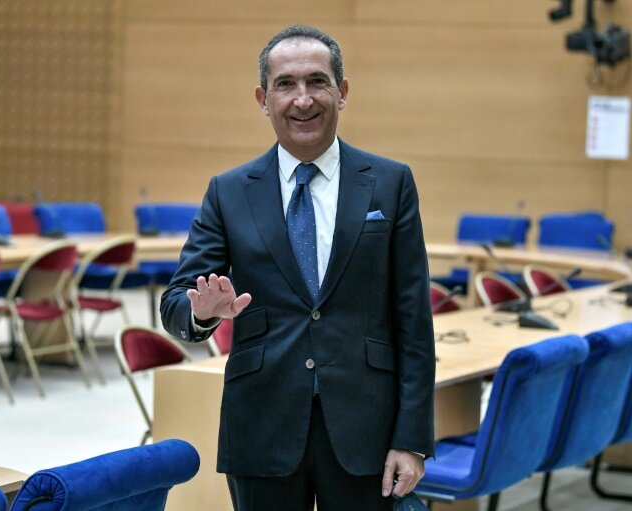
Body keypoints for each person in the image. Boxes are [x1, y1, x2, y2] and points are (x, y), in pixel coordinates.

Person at [160, 24, 435, 511]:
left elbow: (413, 320)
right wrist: (201, 311)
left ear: (342, 92)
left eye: (317, 82)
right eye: (285, 84)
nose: (302, 99)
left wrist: (411, 439)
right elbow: (176, 303)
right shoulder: (228, 191)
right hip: (261, 430)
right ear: (263, 99)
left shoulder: (391, 184)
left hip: (364, 430)